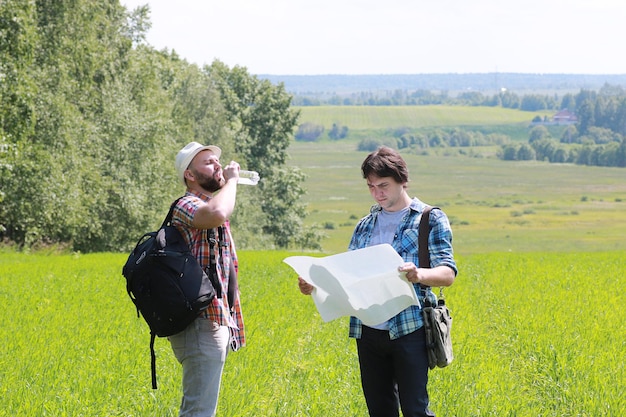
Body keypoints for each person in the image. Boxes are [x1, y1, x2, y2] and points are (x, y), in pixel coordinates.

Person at [298, 146, 457, 417]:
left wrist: (419, 274)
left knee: (415, 409)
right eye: (371, 187)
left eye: (383, 185)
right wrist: (316, 285)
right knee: (380, 411)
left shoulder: (429, 219)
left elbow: (448, 273)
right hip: (369, 330)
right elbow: (346, 275)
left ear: (402, 180)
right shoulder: (365, 224)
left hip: (410, 328)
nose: (377, 193)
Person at [169, 141, 246, 417]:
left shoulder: (209, 204)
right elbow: (216, 213)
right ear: (189, 175)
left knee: (202, 410)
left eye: (217, 161)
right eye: (208, 162)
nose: (217, 165)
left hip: (213, 321)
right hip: (199, 324)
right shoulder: (186, 204)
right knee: (198, 412)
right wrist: (233, 181)